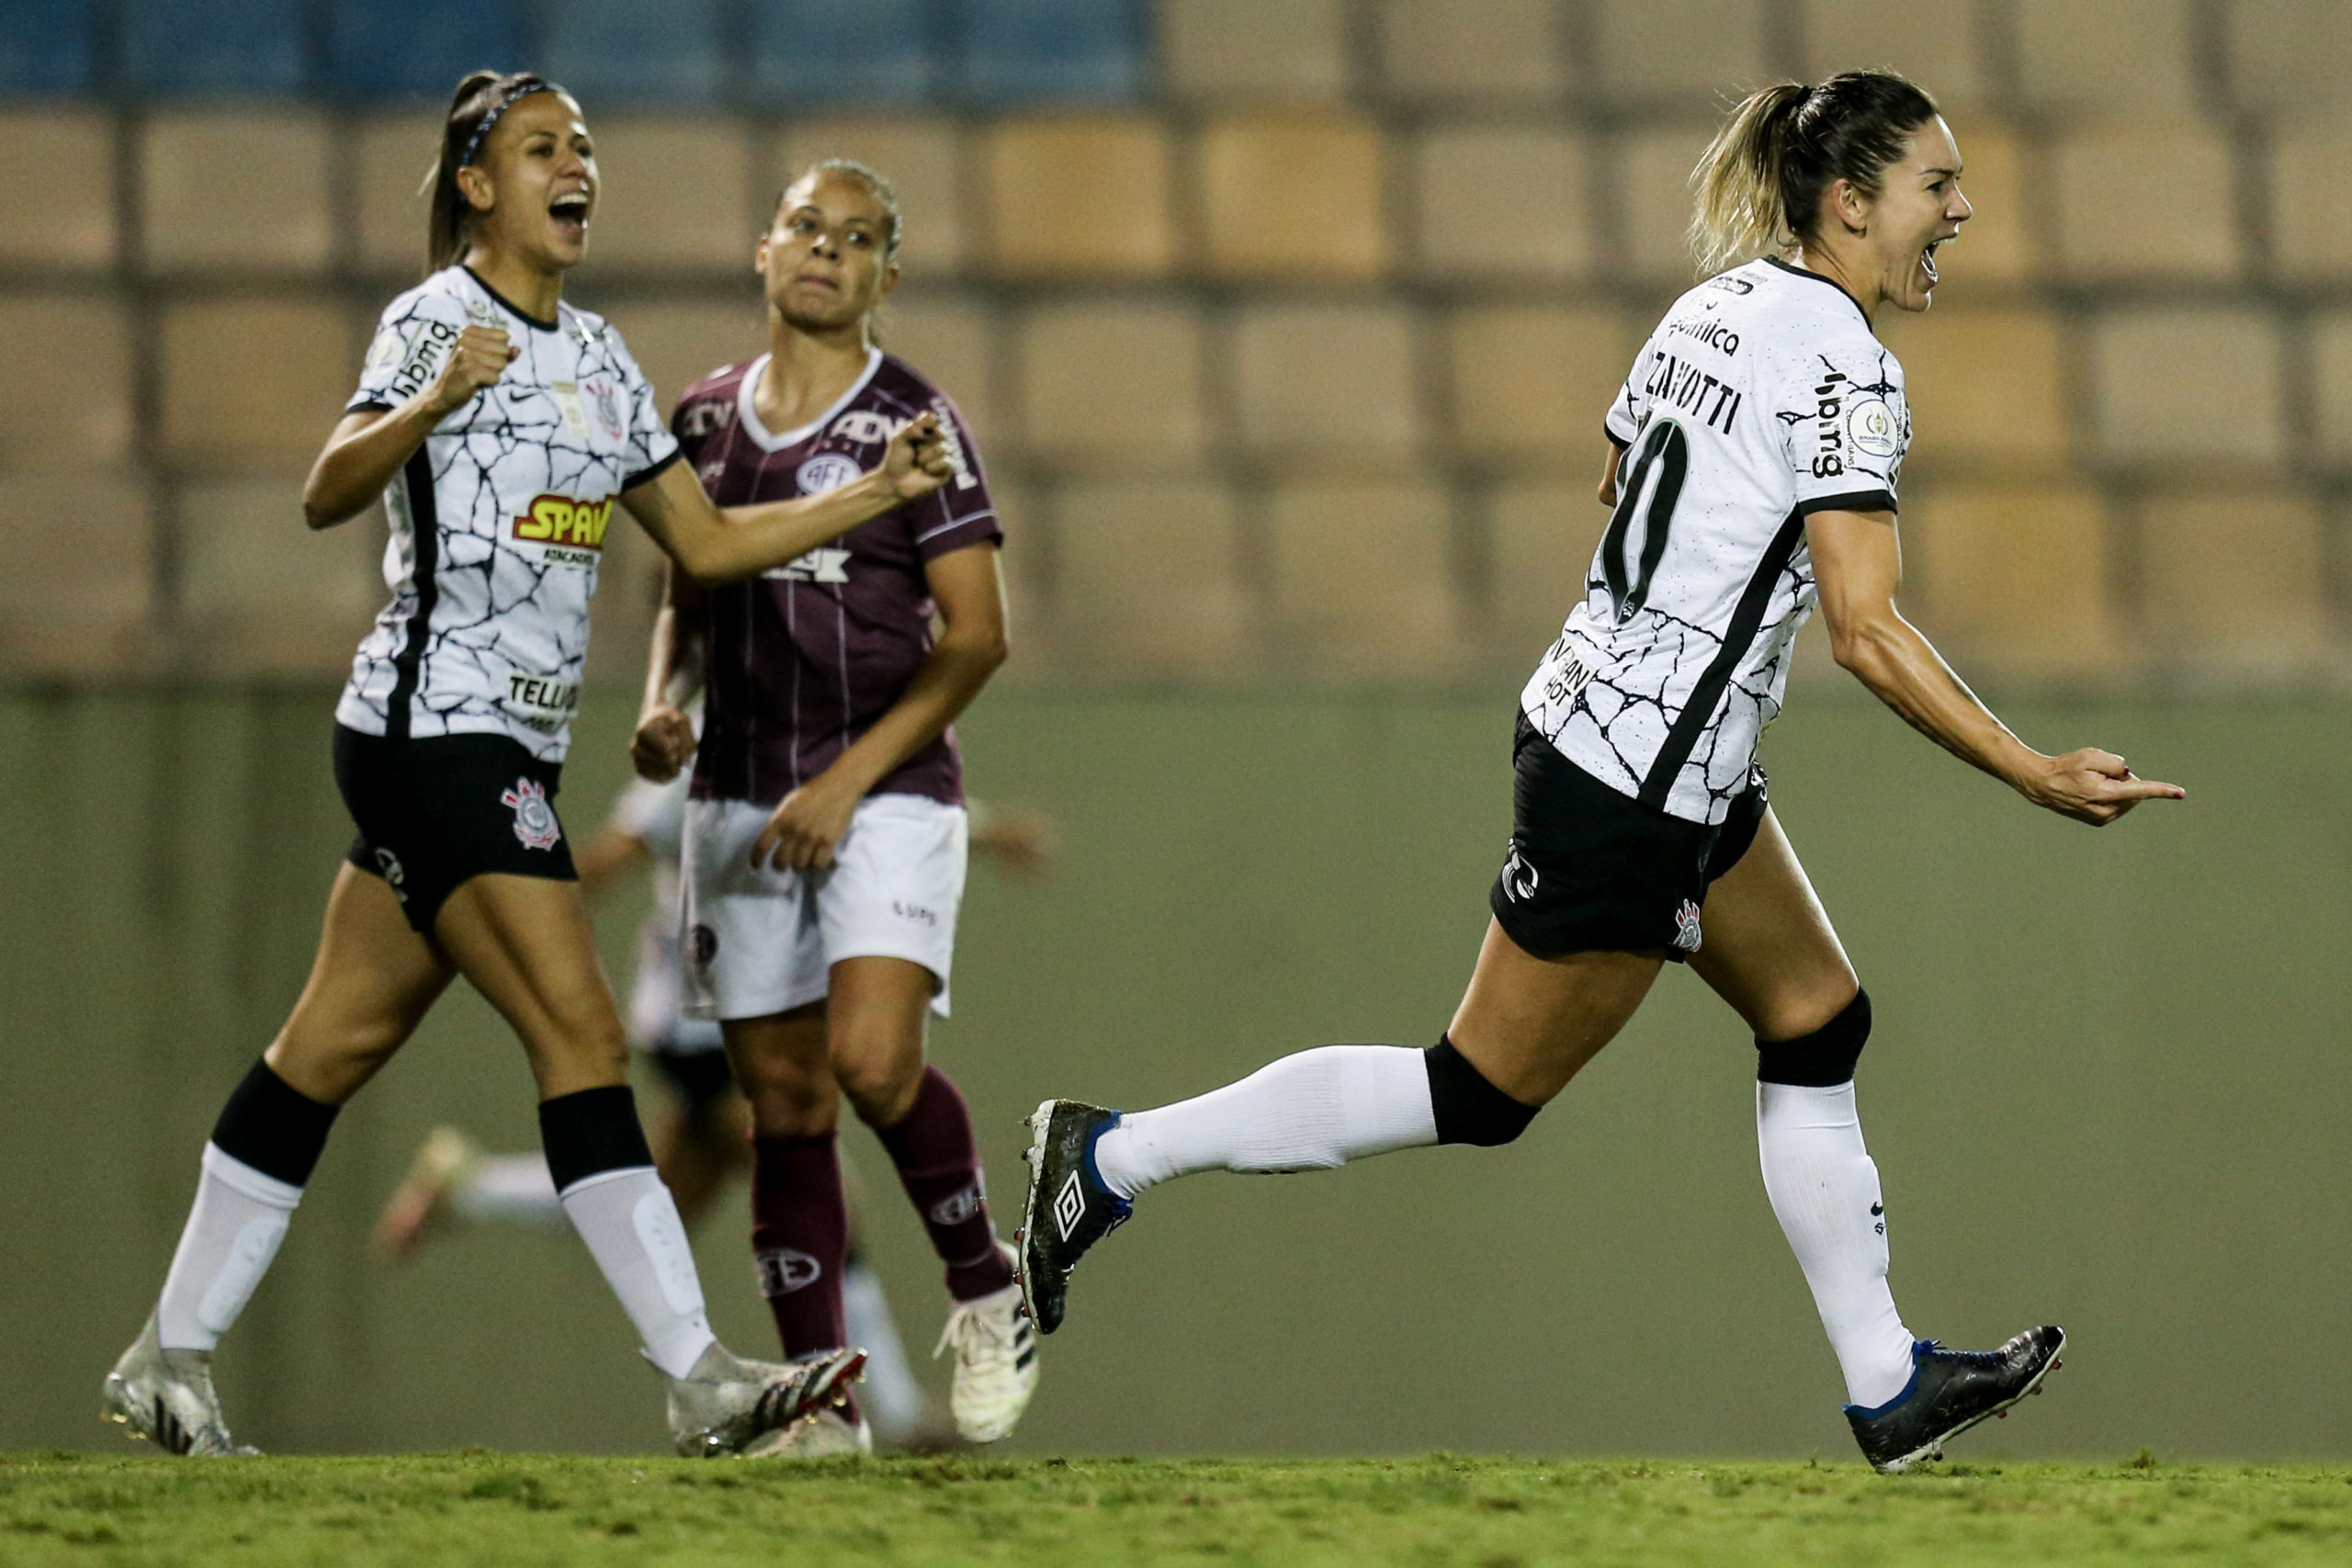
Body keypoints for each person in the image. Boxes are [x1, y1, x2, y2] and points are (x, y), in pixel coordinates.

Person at [1016, 72, 2183, 1474]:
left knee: (1817, 1012)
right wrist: (2030, 768)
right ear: (1853, 199)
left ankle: (1889, 1381)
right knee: (1477, 1089)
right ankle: (1110, 1158)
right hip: (1638, 781)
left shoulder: (1715, 305)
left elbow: (1624, 459)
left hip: (1631, 737)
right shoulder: (1847, 364)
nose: (1961, 209)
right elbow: (1868, 630)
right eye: (1937, 187)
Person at [100, 70, 961, 1459]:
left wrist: (874, 492)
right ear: (478, 184)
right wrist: (432, 398)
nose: (577, 168)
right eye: (542, 147)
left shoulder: (606, 358)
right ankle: (699, 1377)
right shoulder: (436, 319)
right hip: (432, 725)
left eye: (586, 147)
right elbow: (328, 487)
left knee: (331, 1043)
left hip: (499, 745)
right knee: (582, 1036)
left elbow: (709, 543)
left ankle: (169, 1356)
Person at [628, 159, 1035, 1458]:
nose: (826, 250)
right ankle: (822, 1399)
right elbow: (687, 595)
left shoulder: (917, 425)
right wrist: (662, 700)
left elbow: (976, 638)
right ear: (763, 250)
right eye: (808, 226)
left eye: (857, 239)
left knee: (869, 1060)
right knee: (785, 1103)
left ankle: (985, 1286)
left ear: (885, 279)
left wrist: (848, 780)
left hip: (886, 784)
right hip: (739, 792)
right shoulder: (698, 422)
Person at [371, 762, 1056, 1448]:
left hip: (748, 1013)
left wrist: (989, 833)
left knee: (655, 1208)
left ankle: (466, 1186)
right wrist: (487, 912)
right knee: (825, 1192)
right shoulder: (705, 747)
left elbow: (887, 800)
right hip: (700, 1025)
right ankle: (889, 1415)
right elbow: (616, 851)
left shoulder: (817, 720)